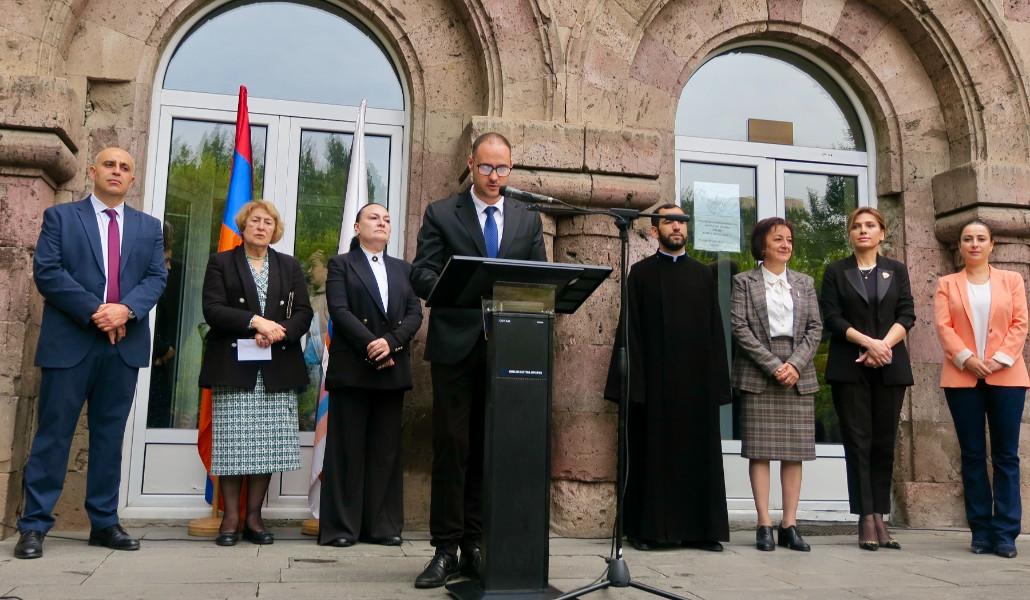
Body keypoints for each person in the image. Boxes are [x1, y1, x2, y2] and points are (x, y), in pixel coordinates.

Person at [14, 147, 167, 559]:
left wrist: (126, 310)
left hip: (124, 347)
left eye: (125, 167)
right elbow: (48, 272)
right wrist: (98, 311)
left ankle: (104, 523)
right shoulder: (62, 218)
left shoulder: (149, 227)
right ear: (93, 171)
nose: (117, 171)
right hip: (70, 344)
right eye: (110, 165)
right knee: (53, 435)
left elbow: (157, 277)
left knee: (109, 437)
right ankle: (34, 526)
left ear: (132, 179)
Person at [410, 132, 547, 588]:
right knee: (453, 447)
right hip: (455, 347)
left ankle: (476, 544)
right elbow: (421, 272)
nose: (494, 176)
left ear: (511, 168)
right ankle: (445, 549)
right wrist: (452, 287)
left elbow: (540, 280)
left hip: (509, 350)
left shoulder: (527, 219)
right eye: (486, 167)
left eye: (502, 168)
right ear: (470, 164)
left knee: (492, 449)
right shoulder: (442, 213)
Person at [603, 203, 731, 552]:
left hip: (696, 386)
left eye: (682, 221)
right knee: (652, 456)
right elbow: (630, 331)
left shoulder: (703, 275)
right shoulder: (641, 274)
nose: (677, 227)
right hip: (655, 386)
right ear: (654, 230)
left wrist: (718, 383)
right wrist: (633, 386)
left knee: (698, 457)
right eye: (669, 221)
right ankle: (648, 531)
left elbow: (714, 331)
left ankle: (701, 531)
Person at [198, 199, 313, 546]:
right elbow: (213, 309)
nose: (261, 227)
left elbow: (304, 311)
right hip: (234, 367)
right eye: (255, 221)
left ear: (275, 229)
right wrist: (254, 322)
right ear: (243, 226)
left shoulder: (289, 265)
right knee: (234, 445)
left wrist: (279, 331)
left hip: (277, 366)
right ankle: (230, 518)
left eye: (268, 222)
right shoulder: (221, 263)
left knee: (268, 446)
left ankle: (254, 517)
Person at [318, 203, 423, 547]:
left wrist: (390, 343)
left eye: (387, 219)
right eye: (374, 218)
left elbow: (414, 313)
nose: (382, 223)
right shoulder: (341, 264)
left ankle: (382, 526)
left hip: (392, 368)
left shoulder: (403, 269)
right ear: (357, 227)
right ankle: (341, 528)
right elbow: (339, 310)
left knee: (385, 452)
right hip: (354, 367)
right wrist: (371, 345)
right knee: (347, 450)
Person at [821, 207, 915, 551]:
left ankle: (880, 515)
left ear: (881, 233)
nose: (863, 231)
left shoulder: (896, 270)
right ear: (850, 234)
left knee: (883, 442)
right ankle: (865, 516)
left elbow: (907, 313)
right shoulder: (836, 271)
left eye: (870, 225)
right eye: (857, 226)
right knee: (857, 441)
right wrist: (867, 343)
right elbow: (831, 316)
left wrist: (883, 346)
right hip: (850, 366)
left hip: (890, 365)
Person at [934, 219, 1028, 559]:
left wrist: (999, 359)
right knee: (972, 454)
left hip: (1008, 377)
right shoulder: (947, 284)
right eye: (967, 239)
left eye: (980, 238)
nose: (974, 244)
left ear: (992, 245)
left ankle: (1005, 533)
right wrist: (967, 359)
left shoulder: (1012, 280)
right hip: (963, 378)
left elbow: (1020, 323)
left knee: (1006, 455)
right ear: (960, 246)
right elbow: (943, 327)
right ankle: (980, 531)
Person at [730, 217, 822, 552]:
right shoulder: (743, 281)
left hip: (798, 371)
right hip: (760, 372)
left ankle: (790, 525)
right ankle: (764, 524)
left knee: (794, 453)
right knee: (760, 451)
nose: (785, 245)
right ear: (762, 245)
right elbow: (739, 328)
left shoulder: (804, 282)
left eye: (789, 239)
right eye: (778, 239)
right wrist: (773, 366)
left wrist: (795, 364)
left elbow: (815, 328)